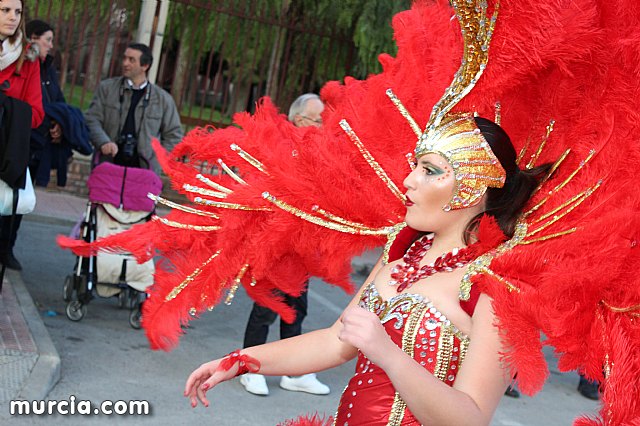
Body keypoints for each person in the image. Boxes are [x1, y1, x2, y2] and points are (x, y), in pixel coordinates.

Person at [239, 93, 330, 397]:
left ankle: (293, 371)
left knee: (296, 307)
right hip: (277, 239)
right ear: (300, 119)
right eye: (318, 119)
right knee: (268, 304)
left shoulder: (315, 148)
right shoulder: (281, 144)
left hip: (303, 242)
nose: (322, 124)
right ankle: (247, 367)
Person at [84, 42, 182, 175]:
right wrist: (103, 142)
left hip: (144, 172)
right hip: (107, 165)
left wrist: (158, 161)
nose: (125, 63)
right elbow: (92, 119)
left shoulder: (162, 99)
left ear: (145, 66)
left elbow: (174, 136)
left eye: (131, 60)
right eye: (124, 58)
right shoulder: (107, 89)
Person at [0, 0, 44, 271]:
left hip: (4, 156)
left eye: (18, 12)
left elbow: (37, 114)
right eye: (5, 10)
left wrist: (5, 109)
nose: (13, 17)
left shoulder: (28, 57)